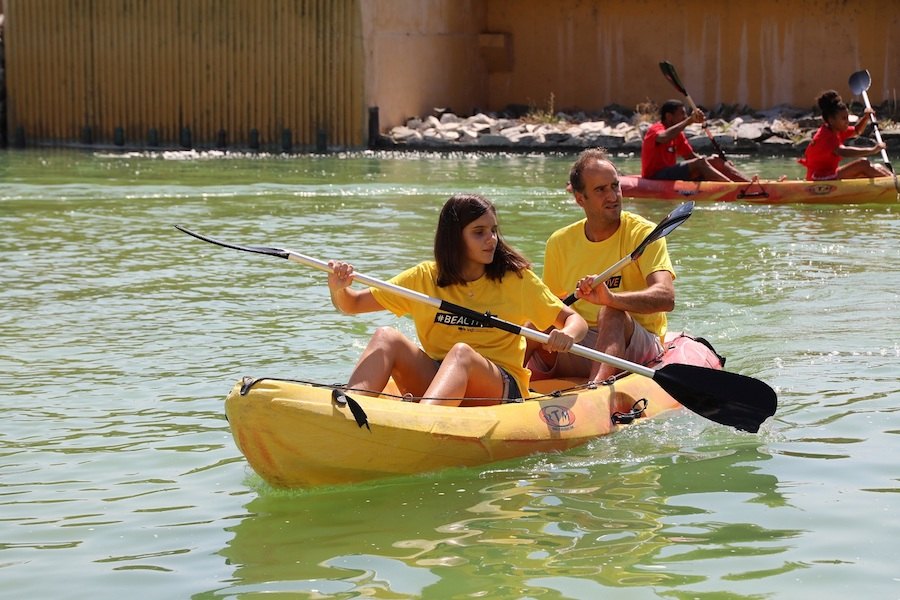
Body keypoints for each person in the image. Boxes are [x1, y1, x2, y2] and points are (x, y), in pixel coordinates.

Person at [327, 193, 588, 407]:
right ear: (455, 238)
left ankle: (421, 422)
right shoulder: (424, 277)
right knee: (386, 336)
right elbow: (352, 304)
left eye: (493, 230)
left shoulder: (516, 279)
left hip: (500, 388)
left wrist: (568, 334)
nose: (492, 239)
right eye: (479, 232)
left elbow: (574, 320)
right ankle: (350, 410)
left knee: (462, 354)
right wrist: (339, 288)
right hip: (440, 377)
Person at [528, 149, 675, 383]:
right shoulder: (559, 242)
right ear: (580, 198)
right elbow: (553, 306)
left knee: (611, 313)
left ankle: (596, 389)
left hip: (635, 345)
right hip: (582, 343)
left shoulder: (643, 233)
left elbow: (666, 298)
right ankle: (500, 382)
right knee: (538, 318)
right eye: (600, 190)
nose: (613, 196)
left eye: (615, 186)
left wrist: (611, 299)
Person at [641, 99, 750, 182]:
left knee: (715, 160)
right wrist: (689, 121)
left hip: (670, 173)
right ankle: (731, 187)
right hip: (654, 176)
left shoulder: (678, 134)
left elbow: (690, 156)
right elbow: (663, 137)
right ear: (669, 116)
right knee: (700, 162)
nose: (685, 117)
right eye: (682, 114)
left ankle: (749, 184)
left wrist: (720, 164)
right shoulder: (655, 129)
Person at [798, 89, 891, 180]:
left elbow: (857, 130)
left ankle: (893, 180)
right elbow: (843, 151)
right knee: (863, 164)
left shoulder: (836, 130)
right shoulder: (825, 136)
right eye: (843, 119)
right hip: (818, 178)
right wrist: (872, 150)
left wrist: (866, 117)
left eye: (847, 118)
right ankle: (893, 184)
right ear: (831, 120)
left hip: (830, 173)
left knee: (877, 166)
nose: (847, 122)